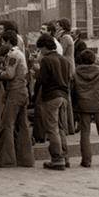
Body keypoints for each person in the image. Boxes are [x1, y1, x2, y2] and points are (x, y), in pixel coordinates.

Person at [0, 30, 34, 168]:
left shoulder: (12, 55)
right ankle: (25, 158)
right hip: (23, 91)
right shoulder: (20, 54)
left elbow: (9, 74)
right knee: (22, 126)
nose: (1, 45)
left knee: (7, 125)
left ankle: (7, 159)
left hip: (15, 92)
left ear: (7, 42)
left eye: (2, 42)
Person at [35, 33, 71, 171]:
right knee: (61, 128)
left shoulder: (46, 60)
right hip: (63, 96)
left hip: (51, 96)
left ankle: (57, 159)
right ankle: (65, 156)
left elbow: (42, 80)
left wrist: (37, 73)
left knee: (52, 128)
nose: (40, 52)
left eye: (41, 49)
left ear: (45, 47)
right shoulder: (64, 60)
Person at [73, 49, 99, 167]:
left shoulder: (76, 72)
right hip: (98, 104)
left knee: (85, 133)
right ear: (93, 59)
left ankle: (86, 160)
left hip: (83, 104)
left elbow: (73, 89)